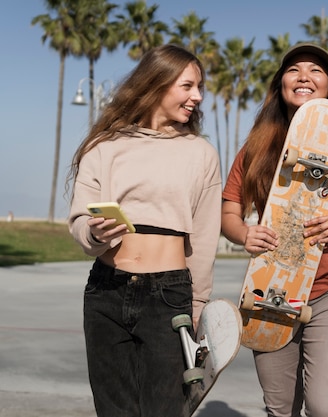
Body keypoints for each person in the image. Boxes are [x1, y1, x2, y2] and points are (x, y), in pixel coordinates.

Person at [221, 43, 328, 417]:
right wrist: (242, 233)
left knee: (324, 407)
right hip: (272, 287)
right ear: (281, 84)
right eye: (294, 70)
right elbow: (229, 207)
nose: (304, 76)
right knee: (279, 408)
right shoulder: (257, 146)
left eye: (316, 70)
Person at [67, 44, 221, 417]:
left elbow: (203, 235)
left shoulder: (200, 153)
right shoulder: (105, 147)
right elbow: (78, 220)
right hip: (106, 291)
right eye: (187, 86)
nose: (197, 97)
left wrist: (198, 302)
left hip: (168, 297)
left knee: (165, 409)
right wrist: (95, 233)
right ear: (157, 83)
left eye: (199, 87)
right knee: (113, 409)